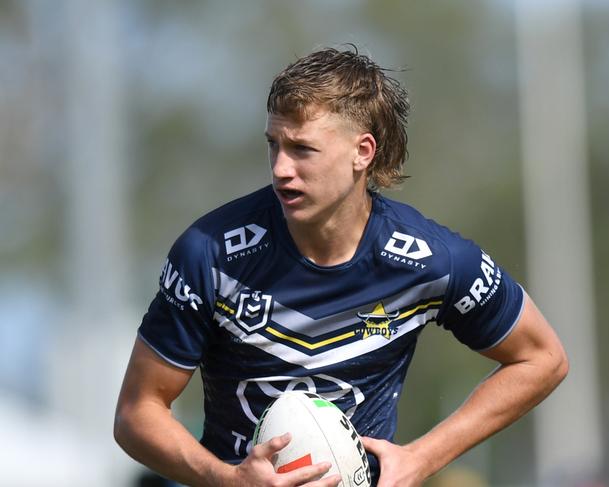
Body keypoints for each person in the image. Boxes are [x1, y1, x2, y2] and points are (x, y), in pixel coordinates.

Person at [114, 46, 568, 487]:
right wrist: (228, 479)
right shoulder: (210, 255)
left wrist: (421, 458)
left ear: (362, 152)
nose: (280, 168)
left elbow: (542, 359)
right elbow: (138, 412)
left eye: (302, 149)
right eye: (273, 145)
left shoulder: (434, 261)